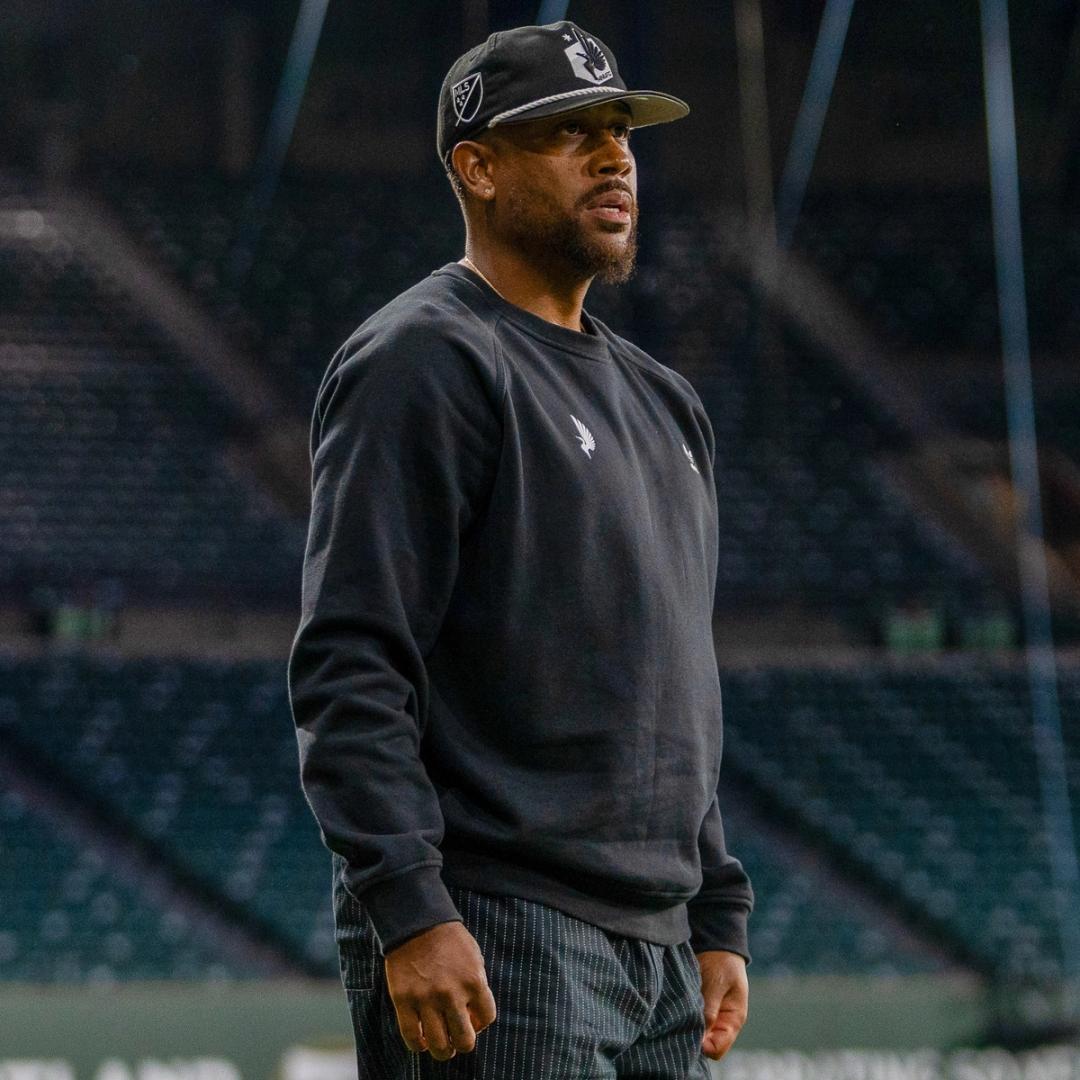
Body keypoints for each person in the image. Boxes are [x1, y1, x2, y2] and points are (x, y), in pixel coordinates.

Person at [288, 20, 754, 1079]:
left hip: (660, 948)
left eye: (621, 132)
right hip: (500, 925)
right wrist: (409, 907)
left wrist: (714, 906)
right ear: (479, 167)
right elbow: (352, 660)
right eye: (570, 133)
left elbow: (668, 677)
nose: (614, 157)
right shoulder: (425, 358)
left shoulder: (667, 403)